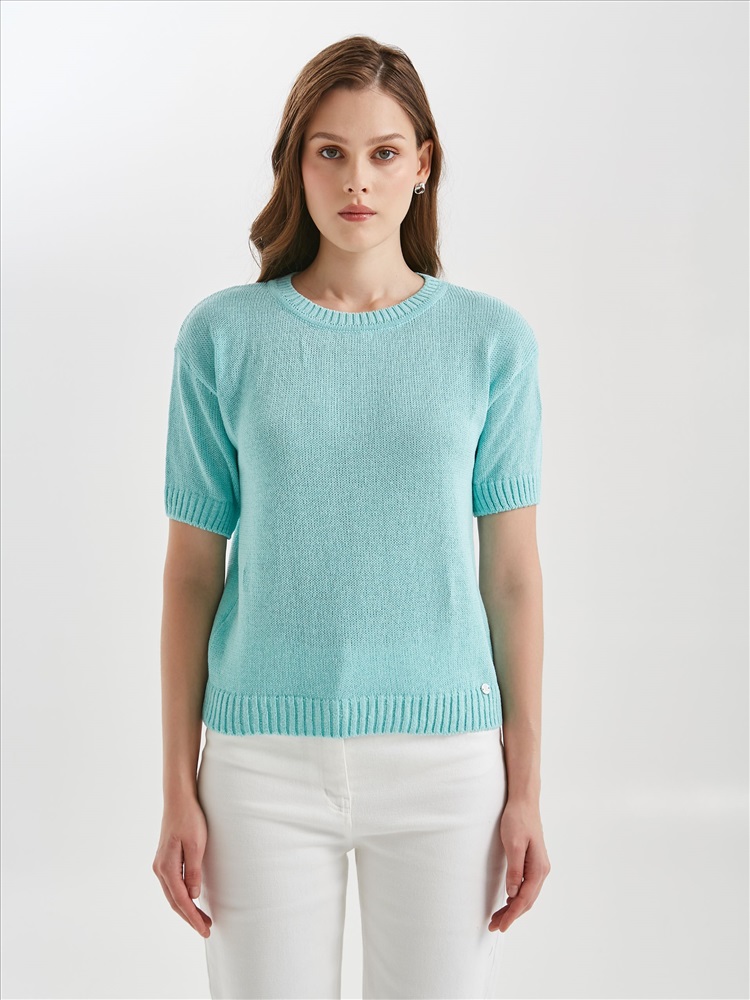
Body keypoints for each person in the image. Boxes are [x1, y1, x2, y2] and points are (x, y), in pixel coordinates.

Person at [152, 33, 551, 1000]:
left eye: (383, 152)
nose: (357, 180)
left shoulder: (491, 342)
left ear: (423, 165)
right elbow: (193, 572)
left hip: (447, 768)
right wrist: (176, 788)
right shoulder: (223, 336)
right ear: (296, 164)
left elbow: (512, 575)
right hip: (258, 767)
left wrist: (527, 789)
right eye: (329, 151)